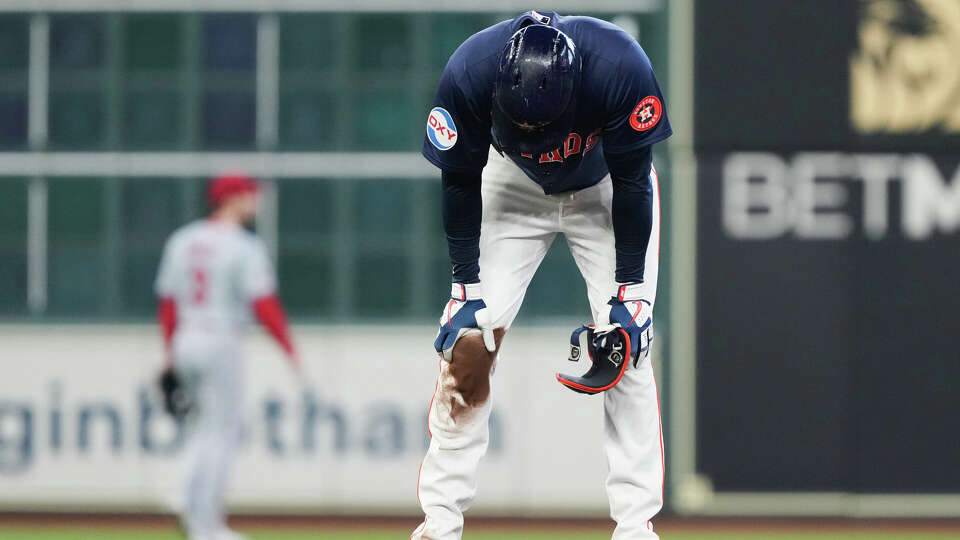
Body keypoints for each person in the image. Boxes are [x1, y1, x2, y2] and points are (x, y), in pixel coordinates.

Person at [415, 11, 671, 539]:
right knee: (467, 342)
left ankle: (635, 528)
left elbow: (633, 184)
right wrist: (465, 286)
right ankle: (439, 526)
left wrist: (630, 295)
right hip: (511, 186)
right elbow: (459, 181)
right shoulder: (469, 73)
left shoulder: (619, 66)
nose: (538, 134)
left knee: (628, 344)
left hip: (604, 186)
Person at [154, 173, 299, 540]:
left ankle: (187, 497)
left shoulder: (182, 239)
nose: (256, 201)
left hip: (187, 338)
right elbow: (263, 304)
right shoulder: (242, 246)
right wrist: (288, 347)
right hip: (221, 340)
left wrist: (169, 353)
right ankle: (204, 523)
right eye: (251, 194)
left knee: (203, 429)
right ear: (232, 198)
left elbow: (168, 304)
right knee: (221, 433)